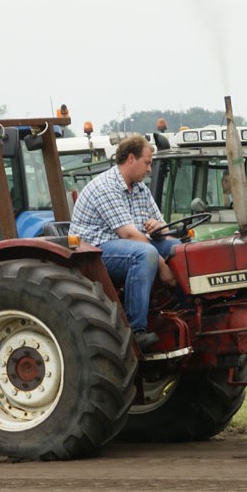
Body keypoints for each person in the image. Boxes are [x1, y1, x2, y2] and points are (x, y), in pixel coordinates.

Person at [70, 135, 179, 350]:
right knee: (145, 254)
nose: (149, 169)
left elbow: (164, 229)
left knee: (178, 248)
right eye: (147, 163)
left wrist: (158, 227)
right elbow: (128, 235)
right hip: (95, 251)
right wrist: (163, 265)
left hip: (129, 245)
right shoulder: (106, 187)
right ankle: (136, 330)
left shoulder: (140, 189)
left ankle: (185, 310)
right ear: (131, 159)